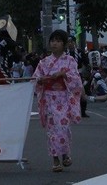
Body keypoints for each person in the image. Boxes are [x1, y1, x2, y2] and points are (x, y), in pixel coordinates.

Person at [33, 30, 83, 173]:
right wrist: (41, 80)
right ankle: (55, 159)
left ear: (64, 44)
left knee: (64, 127)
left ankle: (66, 153)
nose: (54, 43)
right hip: (49, 98)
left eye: (58, 41)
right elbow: (35, 78)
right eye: (52, 40)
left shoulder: (70, 61)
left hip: (63, 98)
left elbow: (76, 80)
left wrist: (63, 74)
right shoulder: (44, 62)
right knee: (52, 130)